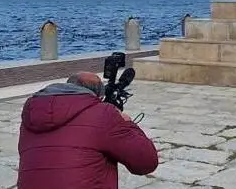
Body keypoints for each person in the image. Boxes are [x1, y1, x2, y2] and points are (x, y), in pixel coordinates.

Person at [17, 72, 159, 189]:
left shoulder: (31, 114)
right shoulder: (103, 113)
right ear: (99, 97)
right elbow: (146, 162)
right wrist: (127, 123)